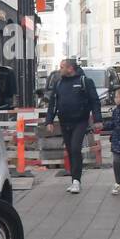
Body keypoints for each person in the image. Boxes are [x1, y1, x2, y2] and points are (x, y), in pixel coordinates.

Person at [45, 58, 103, 193]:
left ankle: (77, 181)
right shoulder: (58, 84)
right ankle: (74, 179)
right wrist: (49, 121)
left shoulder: (85, 82)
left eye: (62, 67)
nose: (60, 70)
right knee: (70, 150)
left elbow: (95, 101)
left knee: (76, 148)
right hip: (65, 121)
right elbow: (52, 104)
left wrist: (97, 119)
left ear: (70, 68)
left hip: (80, 121)